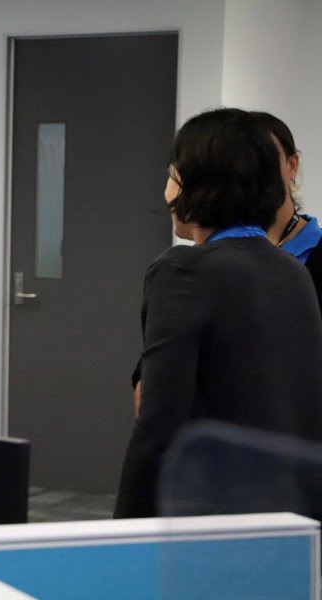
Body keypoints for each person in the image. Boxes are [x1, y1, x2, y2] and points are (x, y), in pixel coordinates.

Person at [114, 108, 322, 519]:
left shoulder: (182, 270)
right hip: (286, 513)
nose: (166, 191)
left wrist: (123, 536)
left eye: (172, 174)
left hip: (208, 516)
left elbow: (157, 427)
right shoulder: (293, 271)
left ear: (200, 183)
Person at [254, 112, 322, 307]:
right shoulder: (222, 254)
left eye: (262, 159)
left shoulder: (315, 250)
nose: (249, 172)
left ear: (291, 165)